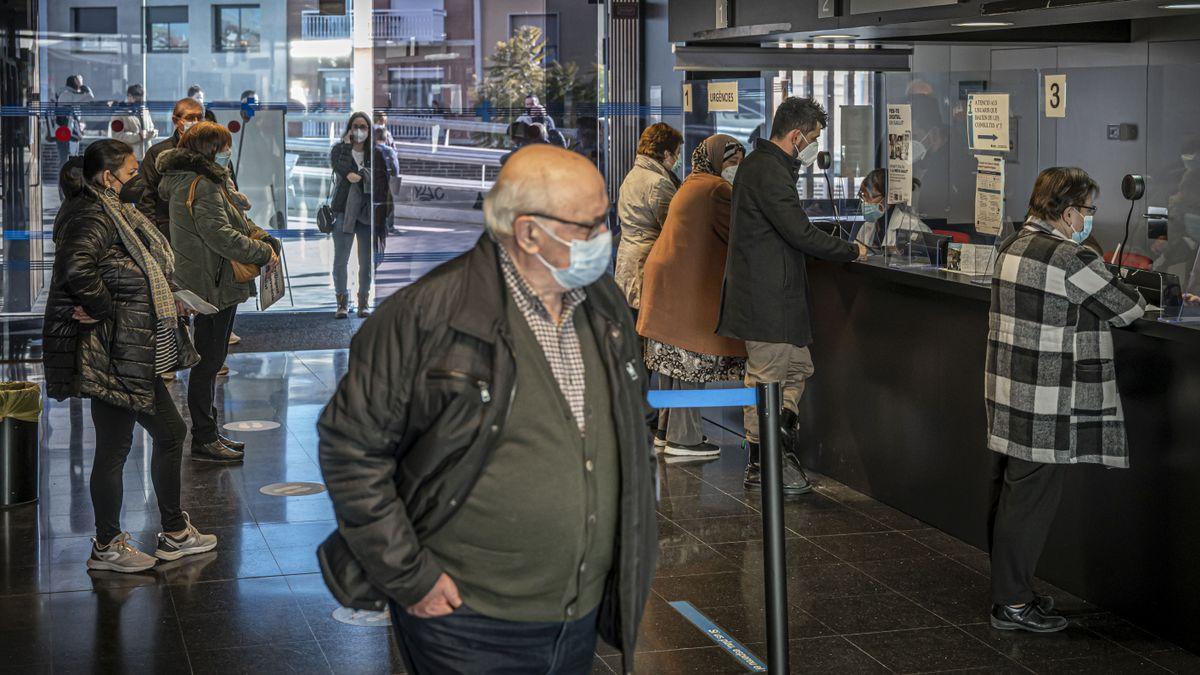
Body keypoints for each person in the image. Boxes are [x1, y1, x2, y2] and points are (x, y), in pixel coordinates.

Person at [317, 144, 656, 675]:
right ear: (527, 233)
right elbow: (351, 450)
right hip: (467, 621)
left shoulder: (603, 303)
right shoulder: (424, 316)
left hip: (581, 611)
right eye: (589, 226)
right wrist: (412, 578)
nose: (603, 239)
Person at [42, 139, 216, 572]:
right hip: (114, 351)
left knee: (143, 440)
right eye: (131, 169)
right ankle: (122, 542)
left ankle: (158, 535)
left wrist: (163, 297)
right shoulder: (92, 214)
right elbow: (76, 267)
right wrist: (103, 307)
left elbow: (129, 271)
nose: (138, 174)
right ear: (108, 176)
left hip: (131, 349)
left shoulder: (116, 211)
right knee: (140, 441)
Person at [985, 167, 1145, 633]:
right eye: (1088, 210)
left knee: (1012, 494)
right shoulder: (1068, 257)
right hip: (1045, 399)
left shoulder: (1010, 244)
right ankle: (1012, 603)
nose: (1089, 218)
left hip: (1010, 390)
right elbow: (1127, 307)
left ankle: (1011, 594)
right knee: (1030, 502)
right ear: (1068, 210)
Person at [717, 97, 867, 495]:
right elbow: (798, 231)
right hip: (768, 299)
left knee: (797, 368)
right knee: (766, 378)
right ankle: (763, 463)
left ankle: (778, 444)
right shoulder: (768, 170)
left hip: (776, 297)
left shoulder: (766, 166)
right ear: (797, 135)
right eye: (814, 137)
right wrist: (851, 249)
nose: (815, 145)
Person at [157, 122, 280, 463]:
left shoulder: (203, 180)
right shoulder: (202, 184)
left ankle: (209, 432)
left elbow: (233, 223)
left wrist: (263, 237)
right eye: (224, 146)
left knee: (210, 360)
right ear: (210, 151)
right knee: (208, 361)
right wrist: (262, 252)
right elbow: (220, 235)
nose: (229, 152)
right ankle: (204, 437)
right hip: (212, 282)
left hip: (212, 278)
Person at [639, 134, 747, 459]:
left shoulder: (692, 181)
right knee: (691, 360)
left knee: (673, 365)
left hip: (668, 284)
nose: (736, 168)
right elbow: (740, 234)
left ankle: (666, 431)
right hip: (686, 288)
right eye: (731, 162)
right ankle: (683, 439)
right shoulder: (717, 189)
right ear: (716, 161)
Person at [614, 122, 683, 315]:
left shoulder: (634, 175)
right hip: (646, 263)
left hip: (629, 261)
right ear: (666, 154)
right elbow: (671, 227)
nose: (677, 159)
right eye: (676, 152)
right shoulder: (658, 183)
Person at [329, 112, 389, 318]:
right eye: (355, 126)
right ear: (349, 128)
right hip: (343, 212)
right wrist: (347, 146)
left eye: (363, 127)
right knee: (340, 260)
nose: (359, 130)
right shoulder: (339, 150)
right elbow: (339, 167)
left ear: (369, 130)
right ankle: (342, 303)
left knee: (366, 260)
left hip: (366, 213)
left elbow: (383, 180)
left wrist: (364, 177)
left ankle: (363, 301)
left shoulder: (376, 153)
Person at [138, 97, 205, 240]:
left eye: (200, 118)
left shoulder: (212, 151)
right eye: (190, 118)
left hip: (205, 231)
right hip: (168, 231)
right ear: (176, 121)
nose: (196, 123)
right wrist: (154, 237)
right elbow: (145, 198)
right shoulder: (158, 153)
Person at [854, 169, 931, 249]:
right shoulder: (867, 226)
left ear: (889, 199)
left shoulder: (913, 227)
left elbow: (927, 258)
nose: (866, 202)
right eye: (863, 196)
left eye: (871, 197)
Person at [53, 75, 94, 176]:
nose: (82, 84)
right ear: (75, 82)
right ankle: (64, 186)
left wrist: (80, 125)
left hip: (70, 133)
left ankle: (66, 185)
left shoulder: (69, 95)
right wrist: (86, 88)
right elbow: (90, 97)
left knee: (69, 160)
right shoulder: (67, 94)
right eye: (80, 81)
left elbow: (76, 115)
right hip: (66, 134)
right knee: (66, 161)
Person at [110, 84, 157, 160]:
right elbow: (117, 137)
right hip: (130, 158)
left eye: (142, 100)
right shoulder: (119, 114)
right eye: (138, 100)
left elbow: (151, 127)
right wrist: (138, 136)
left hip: (147, 157)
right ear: (129, 97)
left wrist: (153, 133)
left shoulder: (145, 111)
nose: (141, 102)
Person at [375, 125, 401, 237]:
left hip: (373, 182)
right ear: (386, 139)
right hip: (386, 182)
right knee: (389, 205)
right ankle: (389, 227)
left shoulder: (370, 150)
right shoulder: (389, 151)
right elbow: (395, 169)